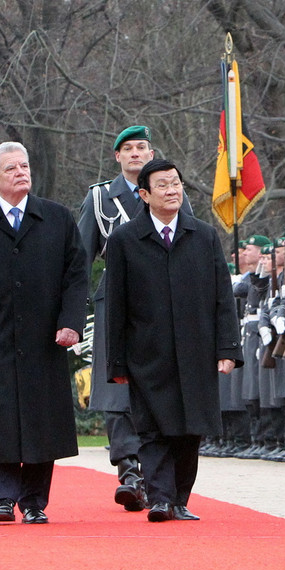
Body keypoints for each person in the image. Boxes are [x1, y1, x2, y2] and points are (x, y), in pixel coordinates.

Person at [0, 141, 88, 524]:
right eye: (11, 168)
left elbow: (77, 277)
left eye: (24, 166)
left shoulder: (57, 219)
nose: (21, 172)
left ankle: (35, 502)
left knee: (44, 420)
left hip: (46, 339)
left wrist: (71, 322)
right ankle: (4, 497)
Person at [105, 158, 242, 522]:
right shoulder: (124, 240)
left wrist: (228, 349)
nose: (172, 191)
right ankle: (160, 498)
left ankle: (179, 498)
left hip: (196, 350)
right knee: (152, 429)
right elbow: (115, 306)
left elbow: (222, 298)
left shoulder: (203, 235)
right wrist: (116, 362)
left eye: (176, 184)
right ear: (145, 194)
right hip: (146, 353)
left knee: (190, 430)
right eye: (163, 185)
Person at [78, 125, 193, 512]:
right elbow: (80, 259)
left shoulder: (174, 194)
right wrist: (71, 313)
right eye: (127, 148)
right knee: (116, 385)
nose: (135, 153)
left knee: (159, 385)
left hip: (166, 302)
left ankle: (154, 473)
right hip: (116, 297)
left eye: (142, 147)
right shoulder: (100, 199)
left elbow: (191, 244)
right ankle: (128, 467)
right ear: (117, 157)